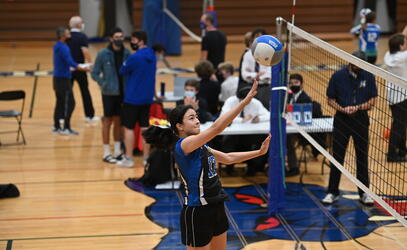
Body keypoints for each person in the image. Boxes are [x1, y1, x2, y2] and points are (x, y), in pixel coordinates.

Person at [170, 80, 270, 249]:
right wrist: (244, 102)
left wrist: (259, 153)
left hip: (216, 205)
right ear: (179, 126)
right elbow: (217, 127)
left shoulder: (200, 146)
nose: (197, 121)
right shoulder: (184, 145)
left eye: (197, 117)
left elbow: (228, 158)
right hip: (197, 210)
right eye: (191, 118)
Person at [322, 51, 377, 205]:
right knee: (337, 158)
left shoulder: (368, 76)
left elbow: (373, 100)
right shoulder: (338, 76)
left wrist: (358, 107)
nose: (360, 66)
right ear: (350, 62)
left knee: (362, 158)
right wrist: (342, 108)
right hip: (341, 120)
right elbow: (330, 99)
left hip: (361, 120)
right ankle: (332, 192)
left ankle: (364, 193)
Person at [117, 30, 156, 168]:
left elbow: (122, 71)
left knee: (129, 128)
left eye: (133, 40)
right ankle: (146, 158)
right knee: (145, 127)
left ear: (141, 41)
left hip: (132, 98)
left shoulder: (134, 58)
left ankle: (128, 158)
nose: (131, 43)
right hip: (146, 98)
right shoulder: (152, 55)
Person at [91, 27, 131, 163]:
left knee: (118, 122)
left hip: (123, 93)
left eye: (121, 36)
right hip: (108, 93)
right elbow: (94, 72)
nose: (119, 39)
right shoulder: (103, 54)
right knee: (107, 121)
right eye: (117, 36)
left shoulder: (127, 53)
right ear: (111, 38)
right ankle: (106, 152)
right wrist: (103, 83)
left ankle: (118, 150)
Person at [220, 86, 270, 176]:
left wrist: (259, 118)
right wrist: (241, 120)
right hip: (233, 133)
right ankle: (229, 167)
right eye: (242, 100)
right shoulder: (230, 101)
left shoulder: (255, 103)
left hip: (249, 133)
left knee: (257, 141)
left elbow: (267, 115)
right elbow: (223, 116)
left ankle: (253, 168)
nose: (245, 102)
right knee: (229, 142)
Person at [52, 27, 88, 135]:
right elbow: (70, 62)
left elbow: (64, 62)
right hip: (63, 79)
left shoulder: (57, 46)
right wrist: (83, 68)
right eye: (67, 32)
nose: (69, 33)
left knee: (59, 102)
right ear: (62, 35)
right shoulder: (64, 48)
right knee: (71, 103)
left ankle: (57, 126)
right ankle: (66, 127)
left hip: (56, 78)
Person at [66, 16, 99, 122]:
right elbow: (85, 52)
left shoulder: (66, 36)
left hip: (68, 69)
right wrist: (90, 65)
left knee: (66, 93)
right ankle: (89, 116)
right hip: (80, 69)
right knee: (85, 91)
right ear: (79, 25)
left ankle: (62, 117)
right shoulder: (81, 36)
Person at [384, 33, 407, 162]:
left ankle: (402, 150)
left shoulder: (388, 55)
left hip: (393, 96)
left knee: (401, 124)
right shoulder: (403, 57)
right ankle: (392, 155)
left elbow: (402, 36)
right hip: (402, 96)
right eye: (404, 42)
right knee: (398, 126)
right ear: (400, 46)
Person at [240, 28, 271, 109]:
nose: (259, 38)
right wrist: (257, 75)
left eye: (262, 36)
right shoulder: (247, 54)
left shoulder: (270, 53)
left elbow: (269, 75)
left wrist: (253, 76)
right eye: (257, 36)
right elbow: (244, 74)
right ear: (253, 39)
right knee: (251, 110)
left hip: (265, 87)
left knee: (266, 109)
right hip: (250, 87)